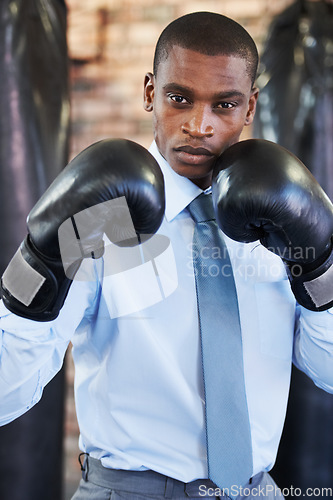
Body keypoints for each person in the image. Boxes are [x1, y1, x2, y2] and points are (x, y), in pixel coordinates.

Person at [0, 11, 333, 500]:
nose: (200, 125)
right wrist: (37, 260)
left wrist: (324, 266)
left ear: (250, 107)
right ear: (151, 92)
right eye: (180, 98)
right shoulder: (101, 215)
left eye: (224, 104)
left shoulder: (287, 212)